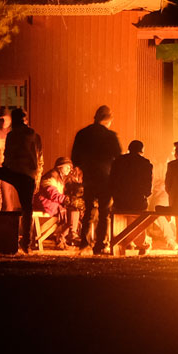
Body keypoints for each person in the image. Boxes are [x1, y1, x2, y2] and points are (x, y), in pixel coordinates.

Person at [71, 104, 123, 253]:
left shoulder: (82, 134)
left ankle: (84, 243)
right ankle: (100, 244)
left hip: (89, 176)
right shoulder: (110, 136)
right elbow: (118, 157)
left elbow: (75, 156)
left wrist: (82, 168)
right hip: (106, 177)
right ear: (108, 120)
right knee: (104, 211)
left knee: (89, 210)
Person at [0, 106, 44, 252]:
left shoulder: (12, 135)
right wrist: (37, 177)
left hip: (14, 172)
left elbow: (8, 155)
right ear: (26, 120)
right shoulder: (35, 136)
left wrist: (5, 168)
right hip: (29, 175)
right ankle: (26, 244)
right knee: (27, 208)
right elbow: (40, 157)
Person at [109, 139, 154, 254]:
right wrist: (145, 195)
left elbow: (112, 181)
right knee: (139, 215)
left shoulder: (118, 161)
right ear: (142, 151)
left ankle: (124, 241)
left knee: (125, 213)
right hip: (137, 201)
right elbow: (148, 187)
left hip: (120, 201)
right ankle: (140, 244)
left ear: (129, 149)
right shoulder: (146, 164)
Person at [34, 157, 73, 248]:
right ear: (60, 167)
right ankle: (61, 238)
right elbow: (52, 194)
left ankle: (62, 238)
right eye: (67, 166)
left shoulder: (60, 177)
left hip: (51, 203)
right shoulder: (51, 176)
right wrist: (67, 200)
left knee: (73, 213)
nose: (69, 169)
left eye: (70, 167)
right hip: (45, 203)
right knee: (70, 212)